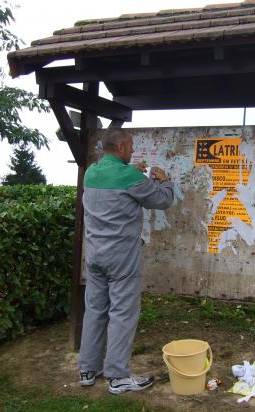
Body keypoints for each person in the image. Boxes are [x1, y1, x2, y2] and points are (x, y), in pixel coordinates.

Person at [78, 128, 174, 394]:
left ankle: (87, 369)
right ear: (120, 147)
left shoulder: (92, 172)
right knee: (122, 313)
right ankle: (118, 376)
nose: (133, 150)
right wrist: (164, 180)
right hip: (121, 258)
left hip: (95, 255)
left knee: (95, 310)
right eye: (130, 146)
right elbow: (162, 200)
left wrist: (133, 170)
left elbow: (120, 181)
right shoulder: (129, 176)